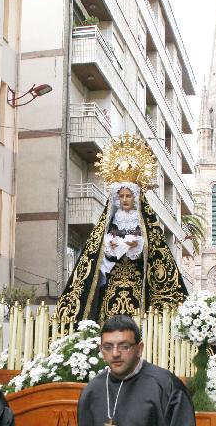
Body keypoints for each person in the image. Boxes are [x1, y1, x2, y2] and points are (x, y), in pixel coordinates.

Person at [56, 135, 187, 324]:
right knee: (108, 315)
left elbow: (157, 252)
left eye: (128, 196)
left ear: (135, 197)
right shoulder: (110, 219)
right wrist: (109, 245)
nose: (125, 199)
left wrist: (138, 245)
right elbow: (95, 251)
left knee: (135, 319)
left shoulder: (143, 220)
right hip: (113, 277)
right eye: (122, 196)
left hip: (136, 279)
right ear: (117, 198)